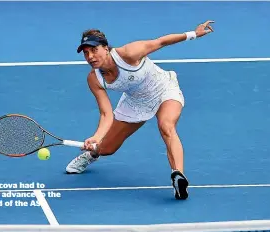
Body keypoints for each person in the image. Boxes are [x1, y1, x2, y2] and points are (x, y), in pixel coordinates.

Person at [66, 21, 215, 200]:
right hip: (135, 102)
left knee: (166, 126)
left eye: (94, 50)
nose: (90, 56)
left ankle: (178, 176)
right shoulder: (95, 79)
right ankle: (92, 154)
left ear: (105, 48)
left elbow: (160, 42)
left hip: (163, 89)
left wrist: (193, 34)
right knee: (107, 148)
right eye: (86, 53)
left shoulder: (129, 53)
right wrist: (97, 137)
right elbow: (106, 114)